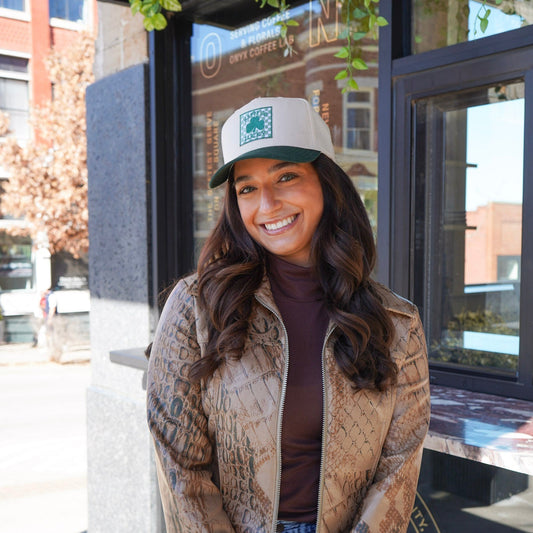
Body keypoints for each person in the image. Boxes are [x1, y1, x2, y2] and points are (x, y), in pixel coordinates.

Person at [146, 97, 431, 533]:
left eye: (286, 176)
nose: (268, 204)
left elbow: (399, 466)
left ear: (327, 183)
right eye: (247, 188)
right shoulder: (197, 307)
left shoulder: (396, 321)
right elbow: (179, 464)